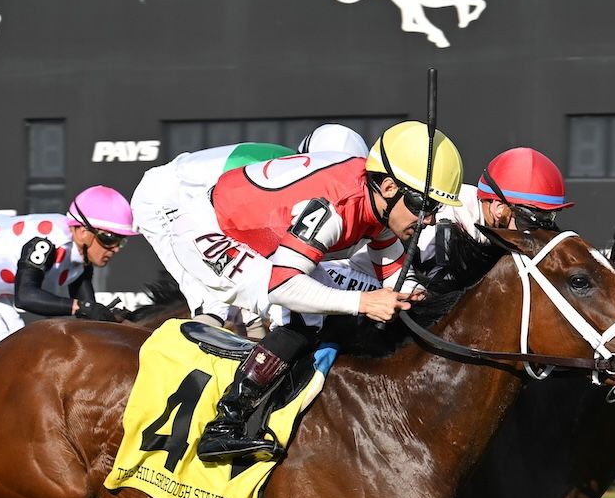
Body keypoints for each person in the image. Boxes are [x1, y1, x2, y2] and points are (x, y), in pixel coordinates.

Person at [134, 119, 465, 461]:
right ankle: (224, 425)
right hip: (204, 224)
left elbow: (392, 267)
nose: (427, 220)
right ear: (390, 189)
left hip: (247, 228)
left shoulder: (377, 200)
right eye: (422, 205)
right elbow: (282, 286)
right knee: (299, 308)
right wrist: (363, 301)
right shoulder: (336, 206)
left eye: (434, 208)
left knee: (318, 307)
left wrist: (408, 290)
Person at [131, 124, 369, 337]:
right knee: (214, 306)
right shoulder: (279, 172)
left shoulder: (305, 174)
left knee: (252, 305)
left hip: (205, 209)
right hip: (165, 200)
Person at [0, 185, 138, 369]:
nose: (116, 248)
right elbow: (26, 296)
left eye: (122, 241)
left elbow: (89, 311)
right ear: (82, 231)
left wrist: (109, 318)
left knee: (15, 345)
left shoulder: (81, 254)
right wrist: (83, 307)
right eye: (109, 239)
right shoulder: (47, 241)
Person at [318, 145, 572, 293]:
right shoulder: (447, 221)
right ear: (498, 208)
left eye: (546, 220)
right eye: (530, 220)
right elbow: (437, 295)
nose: (535, 232)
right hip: (347, 282)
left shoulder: (485, 218)